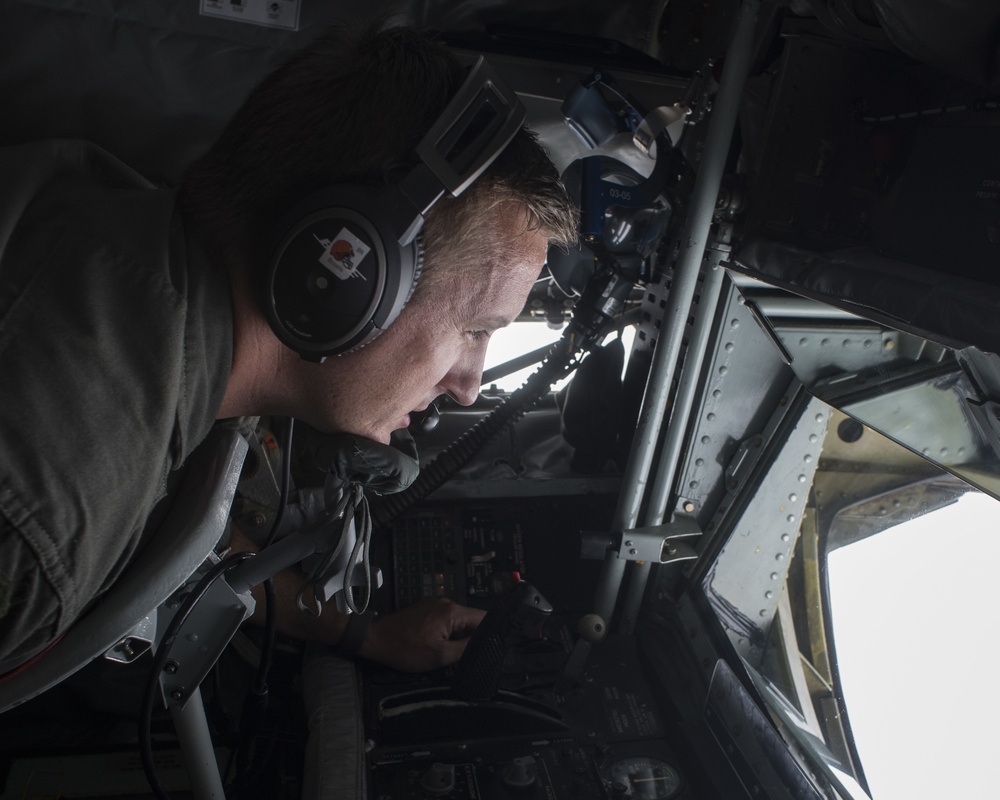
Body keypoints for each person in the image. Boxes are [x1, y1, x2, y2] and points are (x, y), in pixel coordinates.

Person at [0, 19, 577, 676]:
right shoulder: (35, 536)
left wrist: (360, 635)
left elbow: (183, 529)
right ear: (348, 274)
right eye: (477, 330)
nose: (470, 386)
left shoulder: (117, 224)